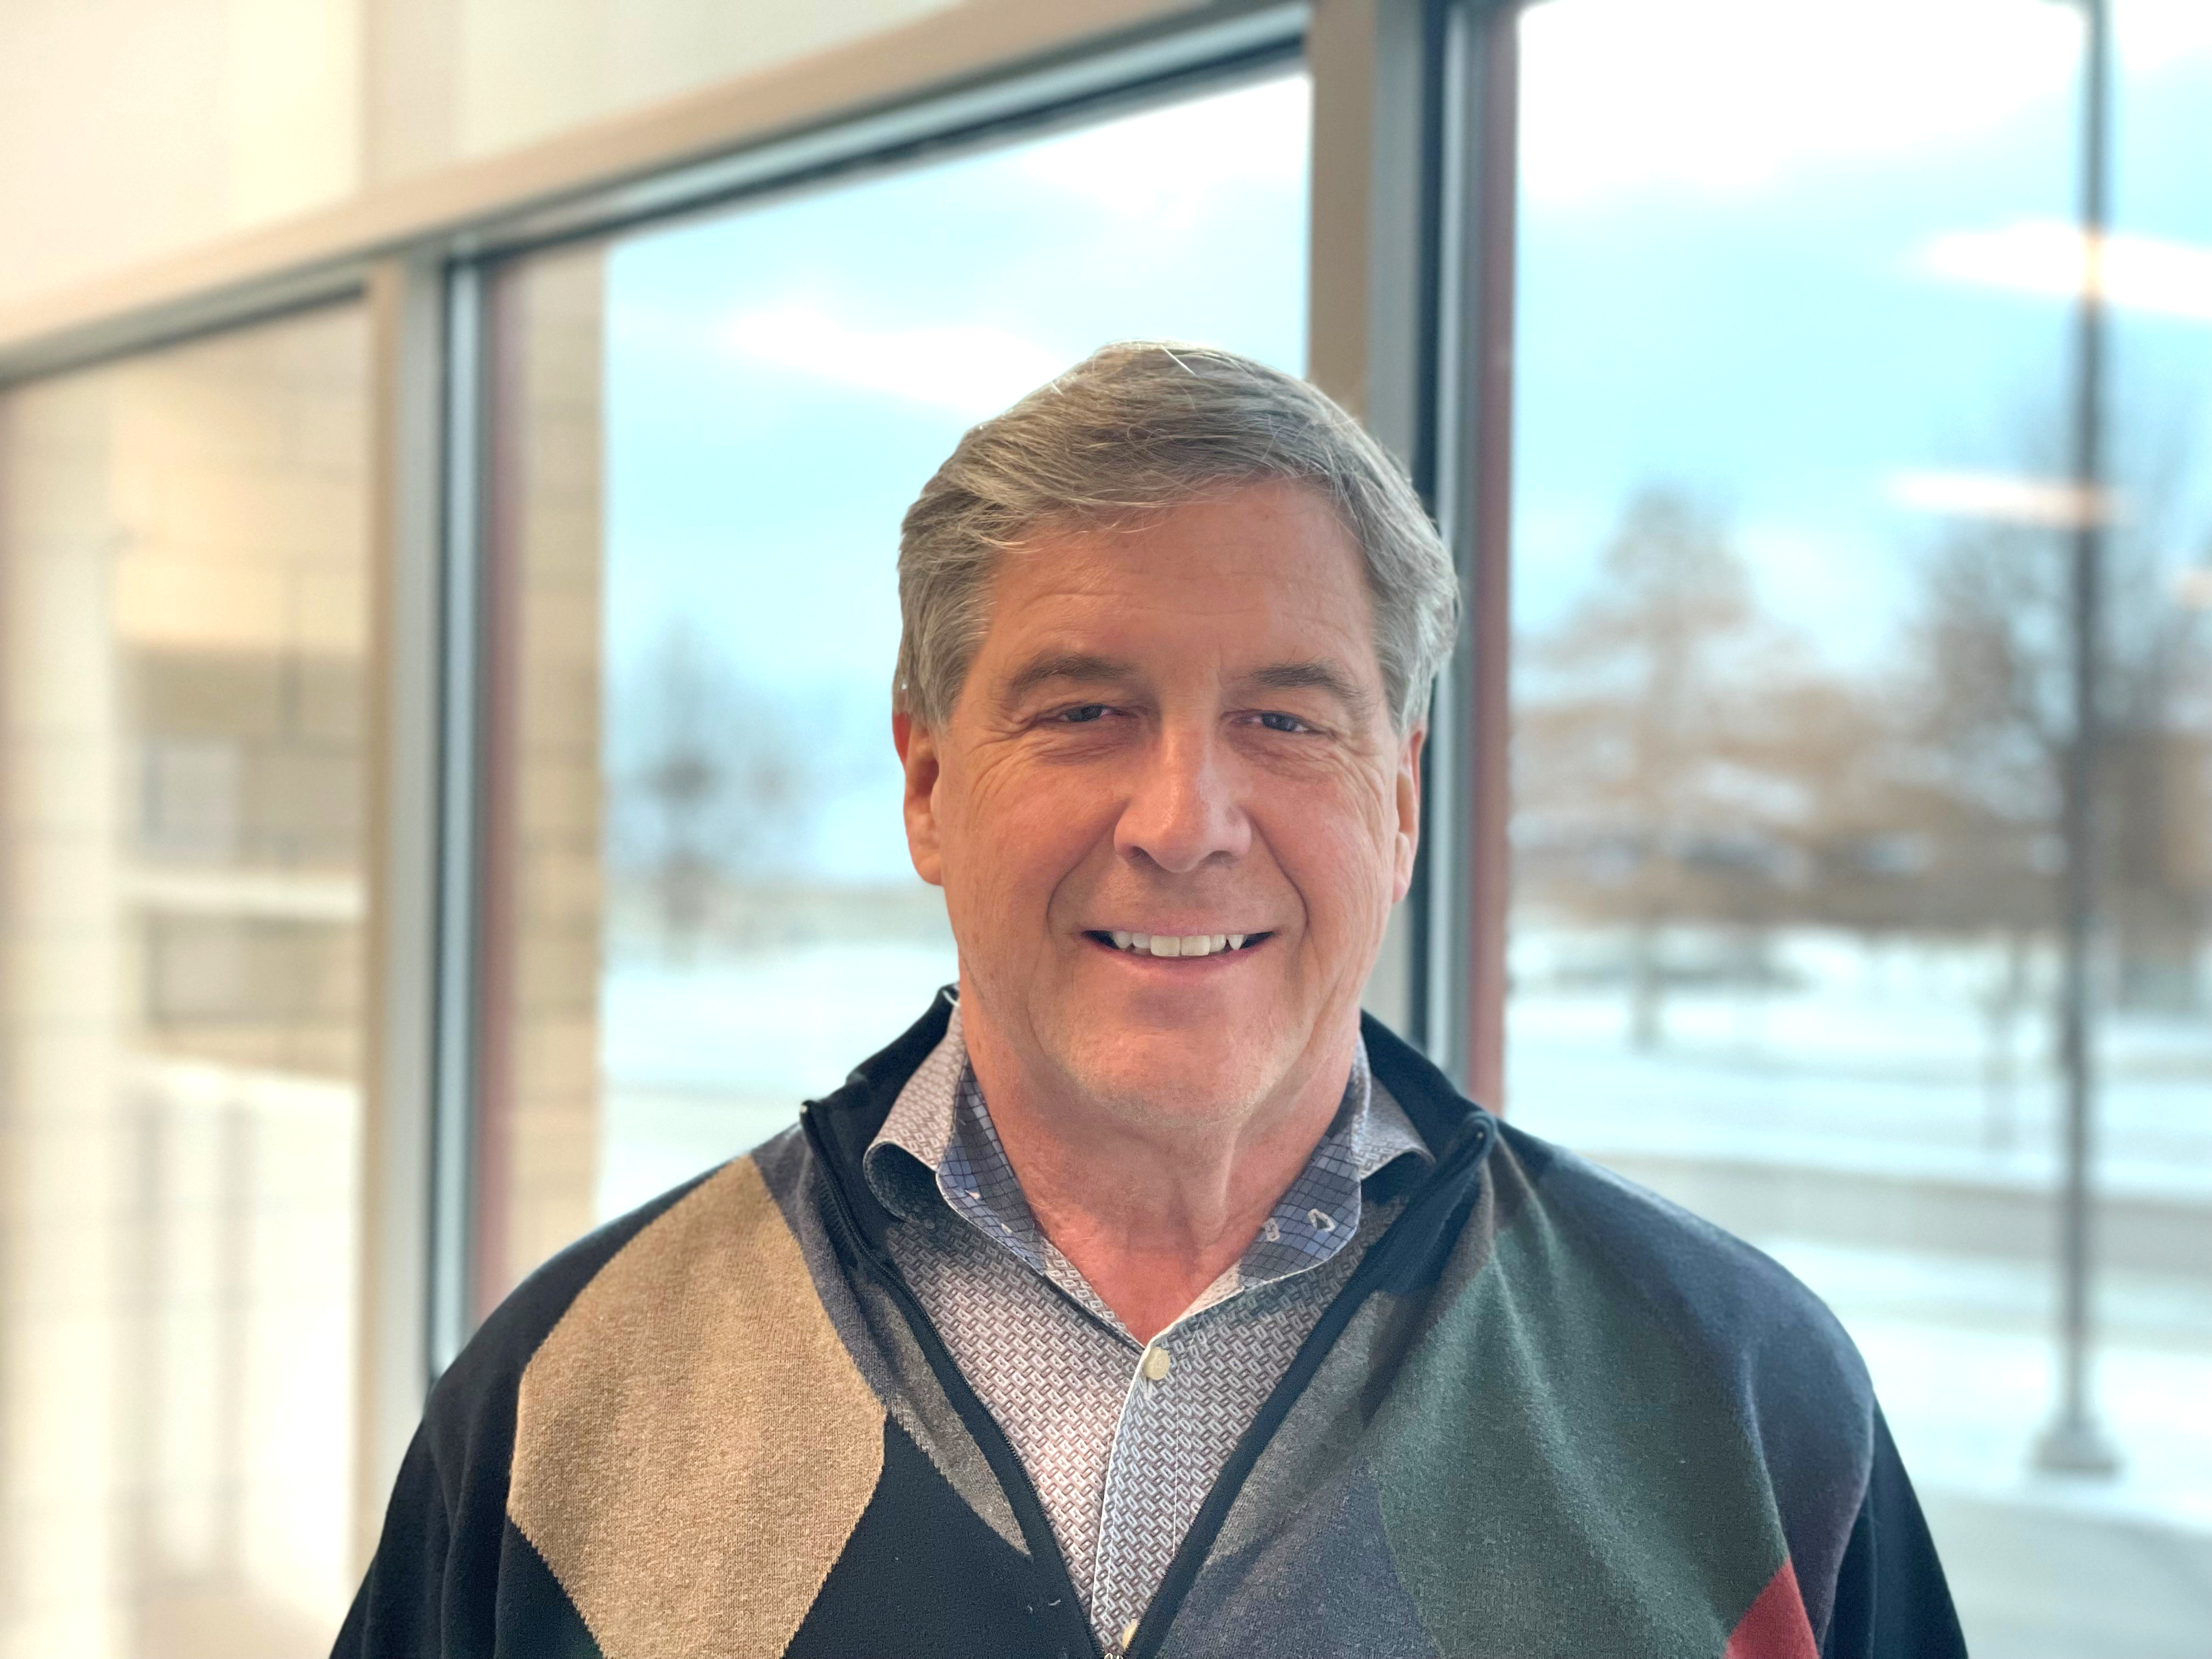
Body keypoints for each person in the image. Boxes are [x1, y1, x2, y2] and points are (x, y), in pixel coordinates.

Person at [336, 342, 1965, 1659]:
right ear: (923, 784)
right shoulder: (578, 1404)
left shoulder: (1732, 1404)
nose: (1184, 822)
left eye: (1285, 721)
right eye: (1087, 711)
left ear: (1400, 800)